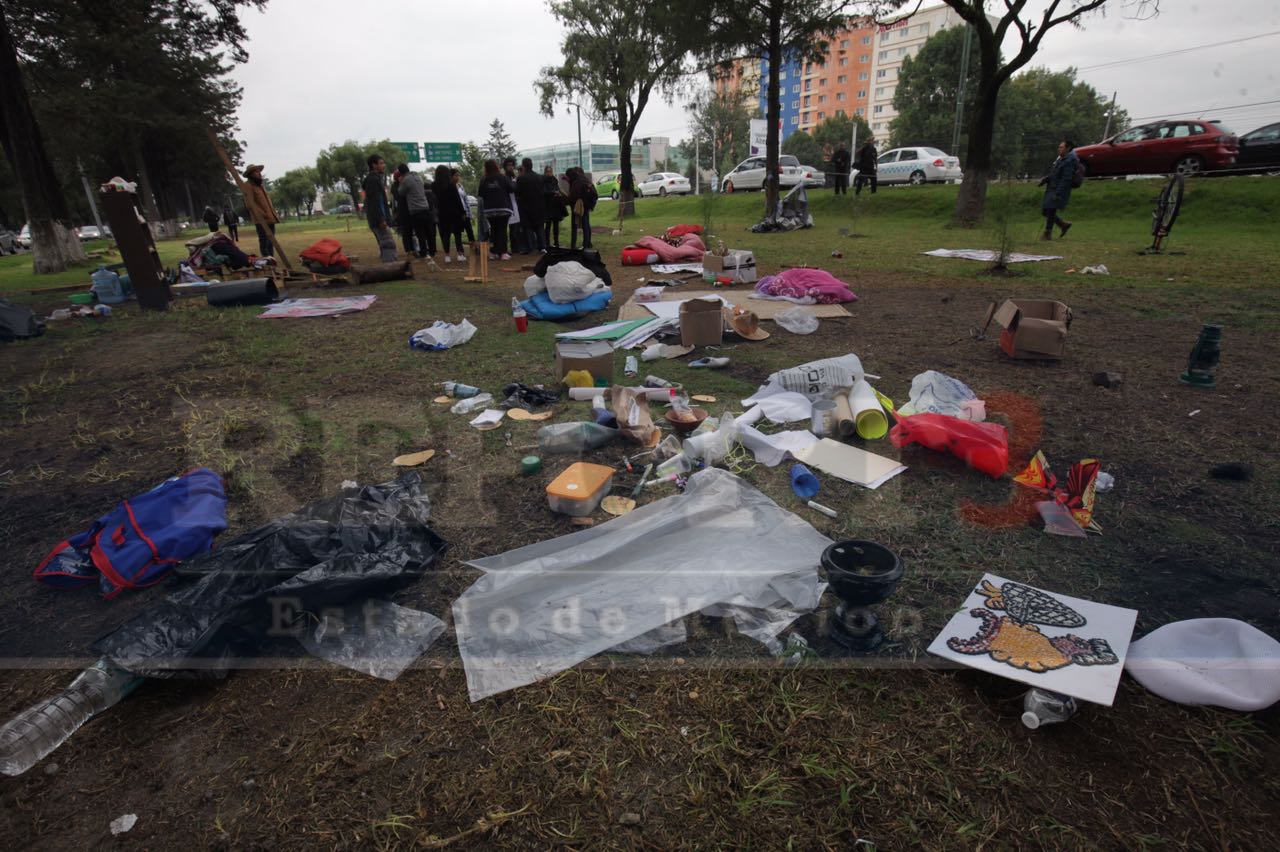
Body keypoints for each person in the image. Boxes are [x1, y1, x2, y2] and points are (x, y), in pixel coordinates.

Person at [1038, 139, 1078, 240]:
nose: (1059, 149)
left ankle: (1048, 233)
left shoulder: (1070, 161)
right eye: (1059, 147)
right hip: (1052, 187)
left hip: (1058, 189)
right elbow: (1055, 173)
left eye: (1061, 147)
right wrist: (1046, 179)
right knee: (1045, 210)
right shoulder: (1061, 159)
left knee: (1050, 210)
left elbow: (1066, 179)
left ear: (1068, 148)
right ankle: (1063, 224)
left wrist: (1058, 193)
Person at [396, 163, 437, 260]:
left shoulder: (406, 180)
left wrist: (401, 182)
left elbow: (401, 192)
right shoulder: (418, 177)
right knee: (429, 231)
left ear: (401, 173)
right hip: (425, 207)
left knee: (420, 233)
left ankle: (423, 253)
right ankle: (432, 251)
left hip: (415, 210)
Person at [361, 154, 398, 262]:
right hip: (378, 219)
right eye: (381, 163)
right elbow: (375, 202)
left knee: (384, 244)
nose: (384, 165)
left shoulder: (374, 179)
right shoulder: (373, 180)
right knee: (388, 244)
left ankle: (387, 267)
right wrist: (381, 219)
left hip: (376, 218)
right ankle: (390, 267)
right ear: (374, 165)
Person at [476, 159, 516, 259]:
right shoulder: (503, 177)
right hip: (503, 208)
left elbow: (480, 194)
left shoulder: (484, 179)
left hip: (489, 209)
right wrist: (514, 182)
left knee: (494, 230)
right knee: (502, 229)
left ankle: (493, 252)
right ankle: (503, 253)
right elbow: (511, 189)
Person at [243, 164, 280, 256]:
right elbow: (249, 204)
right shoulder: (248, 186)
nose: (259, 174)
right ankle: (267, 261)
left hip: (270, 218)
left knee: (271, 241)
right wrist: (262, 214)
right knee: (264, 241)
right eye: (256, 172)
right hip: (261, 220)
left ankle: (272, 259)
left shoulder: (260, 186)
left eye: (259, 171)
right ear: (251, 174)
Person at [432, 164, 466, 263]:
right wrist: (462, 211)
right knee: (457, 234)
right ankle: (460, 254)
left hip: (441, 213)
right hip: (454, 213)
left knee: (445, 235)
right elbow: (457, 199)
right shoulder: (451, 185)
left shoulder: (434, 185)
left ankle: (447, 256)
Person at [515, 157, 547, 254]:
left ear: (523, 166)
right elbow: (543, 191)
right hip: (539, 206)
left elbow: (518, 193)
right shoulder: (539, 177)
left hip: (526, 207)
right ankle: (542, 247)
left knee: (528, 227)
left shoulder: (521, 179)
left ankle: (530, 247)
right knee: (540, 227)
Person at [567, 167, 595, 250]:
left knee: (576, 225)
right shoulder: (585, 180)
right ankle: (587, 243)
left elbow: (573, 196)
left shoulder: (577, 182)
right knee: (586, 224)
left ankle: (575, 245)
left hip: (579, 206)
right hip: (586, 205)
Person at [502, 157, 525, 254]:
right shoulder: (504, 177)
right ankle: (505, 248)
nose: (510, 167)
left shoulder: (513, 176)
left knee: (514, 227)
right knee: (506, 227)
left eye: (512, 165)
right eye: (508, 165)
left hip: (515, 203)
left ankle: (515, 247)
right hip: (507, 204)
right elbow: (511, 188)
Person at [542, 165, 567, 248]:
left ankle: (556, 242)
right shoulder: (543, 180)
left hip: (556, 205)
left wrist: (560, 193)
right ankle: (547, 243)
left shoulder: (554, 180)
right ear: (545, 172)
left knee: (556, 226)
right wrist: (553, 192)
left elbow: (558, 188)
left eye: (550, 171)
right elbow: (544, 191)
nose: (549, 173)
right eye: (548, 171)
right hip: (548, 205)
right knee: (548, 226)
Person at [392, 171, 415, 256]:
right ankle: (408, 250)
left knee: (410, 232)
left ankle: (413, 249)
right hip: (402, 212)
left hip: (409, 210)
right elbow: (399, 197)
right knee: (405, 232)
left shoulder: (405, 184)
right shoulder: (395, 187)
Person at [453, 169, 476, 245]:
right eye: (456, 175)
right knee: (458, 232)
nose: (458, 177)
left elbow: (466, 200)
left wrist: (469, 213)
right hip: (457, 213)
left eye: (458, 175)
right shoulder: (450, 187)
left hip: (465, 212)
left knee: (469, 230)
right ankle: (460, 250)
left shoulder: (460, 186)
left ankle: (474, 247)